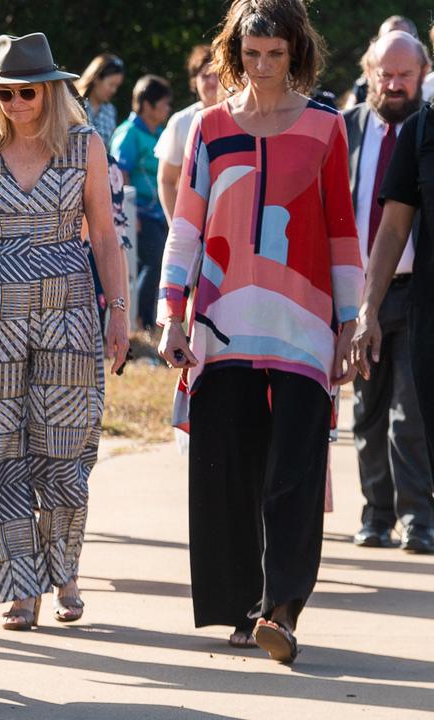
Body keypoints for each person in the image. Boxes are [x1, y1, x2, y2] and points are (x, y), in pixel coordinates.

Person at [157, 0, 363, 664]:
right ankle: (243, 607)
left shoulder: (328, 129)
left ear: (296, 51)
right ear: (234, 54)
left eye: (276, 54)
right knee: (225, 471)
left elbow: (342, 231)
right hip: (222, 327)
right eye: (252, 54)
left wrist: (352, 323)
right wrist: (169, 314)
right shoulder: (209, 129)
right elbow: (186, 226)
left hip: (304, 327)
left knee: (294, 472)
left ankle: (282, 609)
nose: (264, 67)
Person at [0, 33, 131, 631]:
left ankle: (64, 571)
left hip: (69, 306)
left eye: (28, 92)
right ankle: (21, 588)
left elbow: (103, 234)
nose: (17, 103)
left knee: (63, 447)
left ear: (50, 92)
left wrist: (118, 309)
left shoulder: (84, 144)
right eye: (5, 93)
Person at [343, 31, 434, 553]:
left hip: (418, 290)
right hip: (360, 289)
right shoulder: (346, 128)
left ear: (423, 74)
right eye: (386, 74)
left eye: (405, 75)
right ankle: (375, 514)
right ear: (370, 71)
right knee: (367, 409)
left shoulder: (423, 133)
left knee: (410, 411)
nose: (394, 84)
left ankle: (418, 518)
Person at [112, 74, 172, 329]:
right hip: (138, 215)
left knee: (161, 264)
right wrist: (129, 213)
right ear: (147, 105)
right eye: (163, 104)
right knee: (153, 261)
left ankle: (148, 319)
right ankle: (141, 320)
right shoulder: (128, 134)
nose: (167, 110)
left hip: (159, 212)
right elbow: (119, 173)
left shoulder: (158, 132)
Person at [157, 45, 221, 221]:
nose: (212, 82)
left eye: (217, 74)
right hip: (193, 219)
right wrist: (175, 225)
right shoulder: (181, 121)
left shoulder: (243, 117)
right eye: (205, 76)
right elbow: (166, 180)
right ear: (194, 81)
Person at [344, 15, 420, 109]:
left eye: (402, 39)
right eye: (389, 40)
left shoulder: (428, 84)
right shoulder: (365, 86)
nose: (395, 46)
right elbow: (350, 118)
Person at [74, 53, 125, 148]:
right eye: (111, 84)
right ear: (96, 78)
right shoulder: (74, 104)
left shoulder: (110, 110)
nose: (114, 90)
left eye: (116, 86)